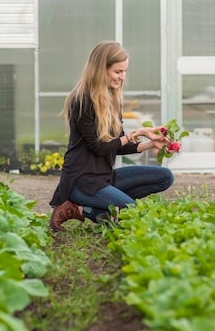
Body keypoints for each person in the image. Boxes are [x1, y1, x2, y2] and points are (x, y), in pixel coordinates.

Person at [48, 41, 175, 231]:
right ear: (100, 70)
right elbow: (99, 147)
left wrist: (151, 143)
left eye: (124, 71)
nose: (122, 77)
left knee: (165, 177)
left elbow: (120, 145)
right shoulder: (82, 101)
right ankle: (82, 208)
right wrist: (137, 133)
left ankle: (102, 210)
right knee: (131, 210)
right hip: (83, 181)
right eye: (117, 72)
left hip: (105, 177)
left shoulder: (112, 98)